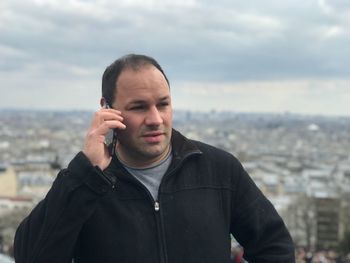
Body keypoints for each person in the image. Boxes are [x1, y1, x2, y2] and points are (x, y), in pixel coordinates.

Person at [14, 54, 295, 263]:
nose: (155, 119)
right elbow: (31, 256)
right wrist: (85, 175)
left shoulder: (219, 170)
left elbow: (274, 247)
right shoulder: (88, 184)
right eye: (138, 107)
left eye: (163, 104)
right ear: (107, 109)